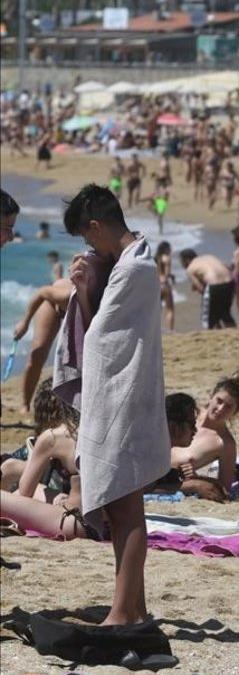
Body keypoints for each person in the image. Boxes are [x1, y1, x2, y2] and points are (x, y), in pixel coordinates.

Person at [60, 183, 170, 626]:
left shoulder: (134, 270)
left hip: (124, 400)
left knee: (124, 510)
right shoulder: (129, 262)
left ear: (96, 225)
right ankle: (133, 607)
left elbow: (104, 340)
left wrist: (91, 289)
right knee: (123, 508)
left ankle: (124, 612)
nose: (89, 247)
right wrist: (86, 287)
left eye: (88, 238)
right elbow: (101, 327)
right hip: (127, 397)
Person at [0, 392, 195, 543]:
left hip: (76, 523)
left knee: (10, 495)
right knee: (39, 491)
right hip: (111, 526)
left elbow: (25, 493)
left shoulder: (55, 436)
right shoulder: (119, 436)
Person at [158, 372, 239, 502]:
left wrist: (197, 477)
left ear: (235, 412)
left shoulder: (225, 443)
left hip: (166, 479)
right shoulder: (188, 412)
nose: (220, 409)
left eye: (228, 407)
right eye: (219, 401)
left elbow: (225, 486)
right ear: (211, 396)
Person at [11, 279, 71, 414]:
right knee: (37, 355)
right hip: (50, 302)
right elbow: (42, 292)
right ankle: (25, 404)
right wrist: (24, 323)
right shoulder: (67, 295)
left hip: (77, 306)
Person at [179, 248, 237, 329]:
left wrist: (202, 291)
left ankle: (212, 332)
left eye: (182, 262)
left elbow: (201, 288)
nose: (182, 265)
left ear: (187, 260)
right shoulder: (209, 257)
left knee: (207, 317)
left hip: (214, 285)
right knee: (225, 313)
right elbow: (226, 267)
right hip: (229, 283)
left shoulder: (190, 268)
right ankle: (232, 330)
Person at [154, 242, 174, 332]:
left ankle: (155, 329)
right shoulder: (166, 258)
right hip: (164, 284)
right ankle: (170, 330)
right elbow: (167, 274)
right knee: (170, 309)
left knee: (157, 310)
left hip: (156, 285)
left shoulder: (155, 258)